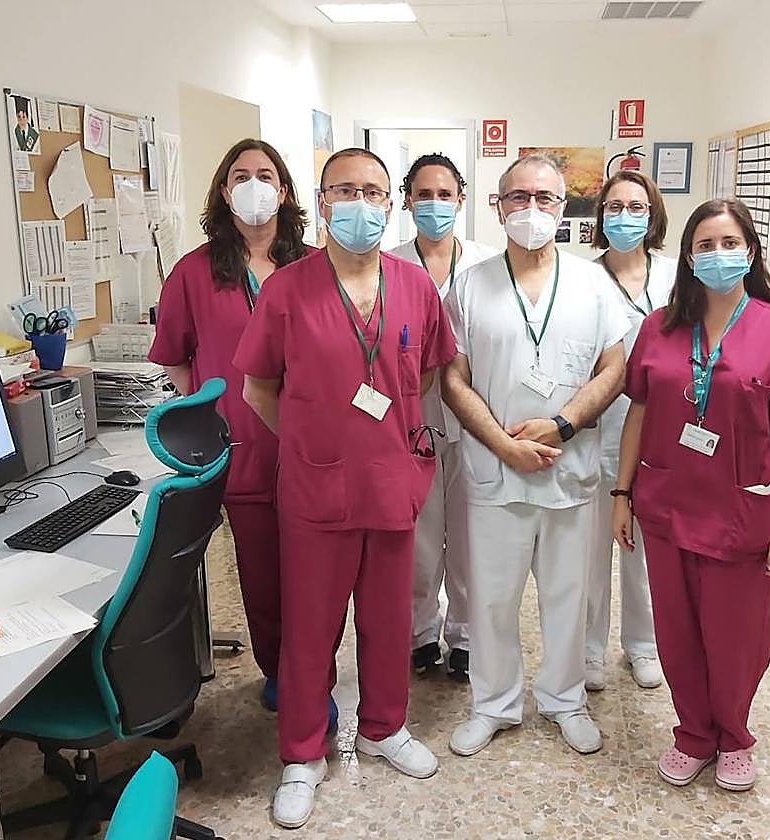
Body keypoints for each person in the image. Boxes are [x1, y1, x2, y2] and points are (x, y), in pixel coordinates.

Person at [235, 147, 457, 829]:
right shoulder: (287, 290)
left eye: (373, 191)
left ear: (390, 204)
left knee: (391, 619)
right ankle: (303, 754)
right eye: (345, 190)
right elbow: (258, 388)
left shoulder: (415, 287)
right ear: (322, 201)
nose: (360, 204)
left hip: (392, 482)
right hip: (315, 489)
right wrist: (315, 444)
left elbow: (423, 376)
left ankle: (384, 727)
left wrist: (379, 444)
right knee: (309, 629)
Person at [611, 199, 770, 792]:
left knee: (737, 635)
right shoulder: (660, 328)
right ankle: (693, 734)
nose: (717, 255)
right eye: (704, 245)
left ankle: (733, 735)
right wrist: (622, 492)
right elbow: (638, 413)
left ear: (750, 253)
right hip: (666, 503)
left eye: (730, 243)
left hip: (741, 509)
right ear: (687, 257)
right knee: (676, 629)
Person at [441, 154, 628, 758]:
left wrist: (561, 425)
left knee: (569, 595)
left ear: (562, 207)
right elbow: (453, 378)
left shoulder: (593, 284)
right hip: (494, 471)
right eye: (518, 197)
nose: (531, 209)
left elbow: (615, 368)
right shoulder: (470, 284)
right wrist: (504, 445)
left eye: (544, 198)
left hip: (569, 470)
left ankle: (564, 700)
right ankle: (493, 704)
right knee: (491, 597)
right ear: (498, 208)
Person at [148, 138, 321, 720]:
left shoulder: (314, 266)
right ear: (224, 191)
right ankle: (279, 672)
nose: (254, 185)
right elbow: (176, 358)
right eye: (241, 175)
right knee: (264, 576)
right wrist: (210, 409)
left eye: (265, 175)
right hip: (242, 449)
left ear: (285, 190)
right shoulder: (194, 273)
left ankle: (314, 674)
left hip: (311, 445)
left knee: (316, 574)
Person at [387, 153, 498, 681]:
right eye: (424, 194)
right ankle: (420, 633)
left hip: (475, 413)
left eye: (445, 194)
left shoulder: (486, 264)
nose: (435, 204)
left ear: (461, 199)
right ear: (408, 201)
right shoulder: (388, 264)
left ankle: (468, 636)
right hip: (414, 415)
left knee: (472, 533)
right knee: (421, 534)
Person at [583, 171, 675, 693]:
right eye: (614, 207)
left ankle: (643, 645)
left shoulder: (675, 275)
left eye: (636, 207)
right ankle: (589, 649)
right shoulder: (583, 277)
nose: (624, 217)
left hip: (659, 429)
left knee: (642, 545)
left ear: (652, 214)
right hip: (600, 427)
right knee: (591, 550)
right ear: (601, 216)